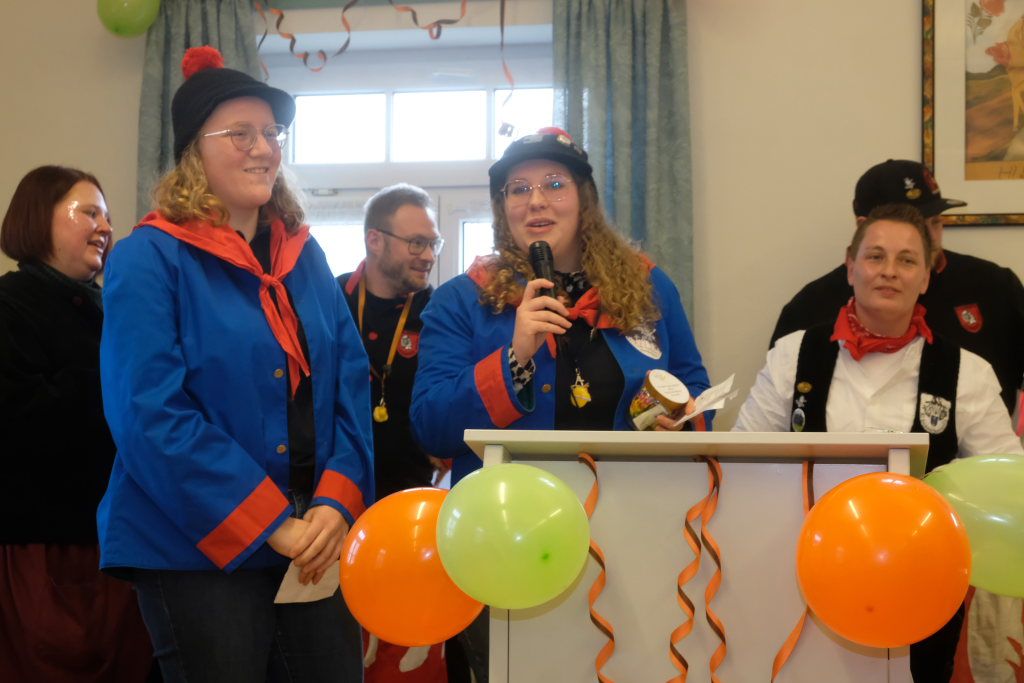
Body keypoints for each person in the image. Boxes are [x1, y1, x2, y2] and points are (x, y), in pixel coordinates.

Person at [97, 46, 372, 683]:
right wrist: (269, 521)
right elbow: (149, 416)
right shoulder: (149, 258)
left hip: (313, 536)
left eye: (272, 133)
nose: (264, 149)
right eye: (240, 134)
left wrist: (335, 501)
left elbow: (351, 385)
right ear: (195, 150)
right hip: (193, 545)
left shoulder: (305, 258)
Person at [734, 203, 1024, 683]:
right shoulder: (794, 355)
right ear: (850, 267)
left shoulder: (967, 372)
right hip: (807, 581)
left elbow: (1007, 483)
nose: (890, 271)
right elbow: (743, 459)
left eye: (907, 260)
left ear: (926, 278)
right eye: (875, 256)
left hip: (922, 592)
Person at [411, 126, 712, 480]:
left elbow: (694, 387)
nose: (536, 201)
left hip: (633, 499)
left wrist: (683, 421)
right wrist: (515, 360)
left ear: (584, 199)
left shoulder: (649, 286)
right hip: (509, 507)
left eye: (554, 184)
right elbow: (431, 428)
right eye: (519, 189)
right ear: (504, 209)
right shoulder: (460, 300)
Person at [0, 165, 155, 681]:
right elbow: (20, 418)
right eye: (89, 213)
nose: (106, 228)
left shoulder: (111, 309)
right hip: (45, 548)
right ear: (38, 219)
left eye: (107, 216)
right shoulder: (9, 306)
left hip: (120, 539)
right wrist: (116, 377)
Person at [770, 159, 1024, 415]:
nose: (929, 237)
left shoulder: (995, 287)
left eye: (935, 222)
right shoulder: (811, 307)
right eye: (914, 224)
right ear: (862, 226)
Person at [338, 183, 450, 682]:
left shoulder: (442, 314)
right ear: (375, 240)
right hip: (335, 510)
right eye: (416, 243)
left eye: (433, 243)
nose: (428, 255)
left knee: (408, 659)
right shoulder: (330, 301)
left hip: (414, 514)